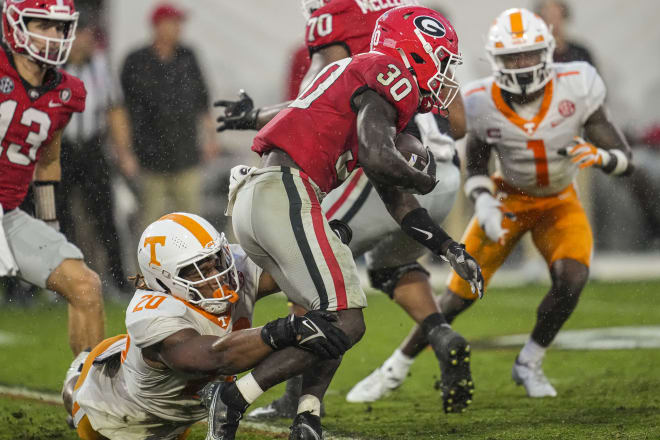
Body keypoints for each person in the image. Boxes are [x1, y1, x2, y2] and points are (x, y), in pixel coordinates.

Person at [215, 6, 484, 439]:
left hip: (264, 194)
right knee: (344, 320)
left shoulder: (355, 78)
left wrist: (449, 248)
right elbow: (380, 159)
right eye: (440, 60)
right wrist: (421, 174)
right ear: (414, 54)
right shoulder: (387, 74)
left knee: (339, 301)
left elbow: (398, 202)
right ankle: (234, 394)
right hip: (284, 193)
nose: (443, 75)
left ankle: (307, 414)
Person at [354, 7, 633, 401]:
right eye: (511, 57)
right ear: (496, 60)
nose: (521, 65)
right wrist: (483, 200)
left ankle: (529, 362)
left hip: (558, 201)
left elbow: (624, 158)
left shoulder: (578, 84)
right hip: (507, 198)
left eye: (528, 54)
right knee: (456, 296)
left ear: (548, 52)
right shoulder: (481, 99)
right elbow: (479, 159)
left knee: (573, 278)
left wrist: (603, 158)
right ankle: (394, 367)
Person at [62, 212, 350, 440]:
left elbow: (286, 268)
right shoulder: (152, 314)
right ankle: (77, 375)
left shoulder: (229, 268)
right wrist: (283, 329)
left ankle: (307, 411)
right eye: (197, 270)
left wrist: (318, 247)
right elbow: (215, 359)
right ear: (165, 281)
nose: (216, 275)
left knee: (323, 325)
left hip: (181, 410)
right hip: (120, 419)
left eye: (214, 261)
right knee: (77, 393)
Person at [0, 0, 104, 355]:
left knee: (86, 286)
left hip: (9, 216)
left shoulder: (66, 93)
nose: (54, 36)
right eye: (43, 26)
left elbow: (48, 161)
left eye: (60, 28)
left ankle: (89, 397)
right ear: (16, 25)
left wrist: (49, 223)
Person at [120, 3, 219, 228]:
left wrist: (211, 138)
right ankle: (149, 263)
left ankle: (195, 261)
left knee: (193, 220)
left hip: (186, 154)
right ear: (158, 26)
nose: (178, 29)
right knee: (151, 221)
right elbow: (122, 110)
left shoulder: (188, 57)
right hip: (149, 157)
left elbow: (202, 103)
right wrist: (125, 152)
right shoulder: (136, 61)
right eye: (173, 24)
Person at [60, 11, 136, 294]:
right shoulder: (52, 68)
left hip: (92, 148)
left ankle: (117, 279)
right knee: (60, 217)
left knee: (105, 216)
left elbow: (114, 110)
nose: (84, 41)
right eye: (79, 35)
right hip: (60, 149)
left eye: (88, 35)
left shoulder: (100, 67)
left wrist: (123, 152)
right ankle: (64, 283)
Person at [535, 0, 596, 65]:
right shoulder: (535, 56)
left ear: (564, 17)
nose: (552, 21)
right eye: (547, 16)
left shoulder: (581, 53)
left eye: (555, 15)